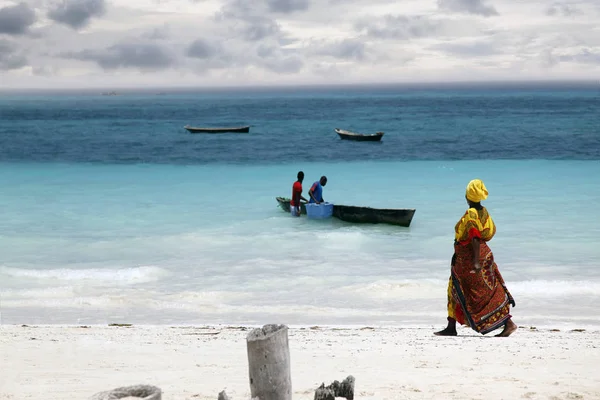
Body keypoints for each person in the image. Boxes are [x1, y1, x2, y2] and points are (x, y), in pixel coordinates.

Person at [434, 179, 517, 338]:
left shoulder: (471, 214)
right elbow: (488, 232)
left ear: (467, 196)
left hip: (471, 258)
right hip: (482, 255)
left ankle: (508, 324)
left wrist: (476, 262)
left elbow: (474, 237)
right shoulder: (484, 211)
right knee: (487, 290)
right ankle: (451, 326)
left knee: (462, 290)